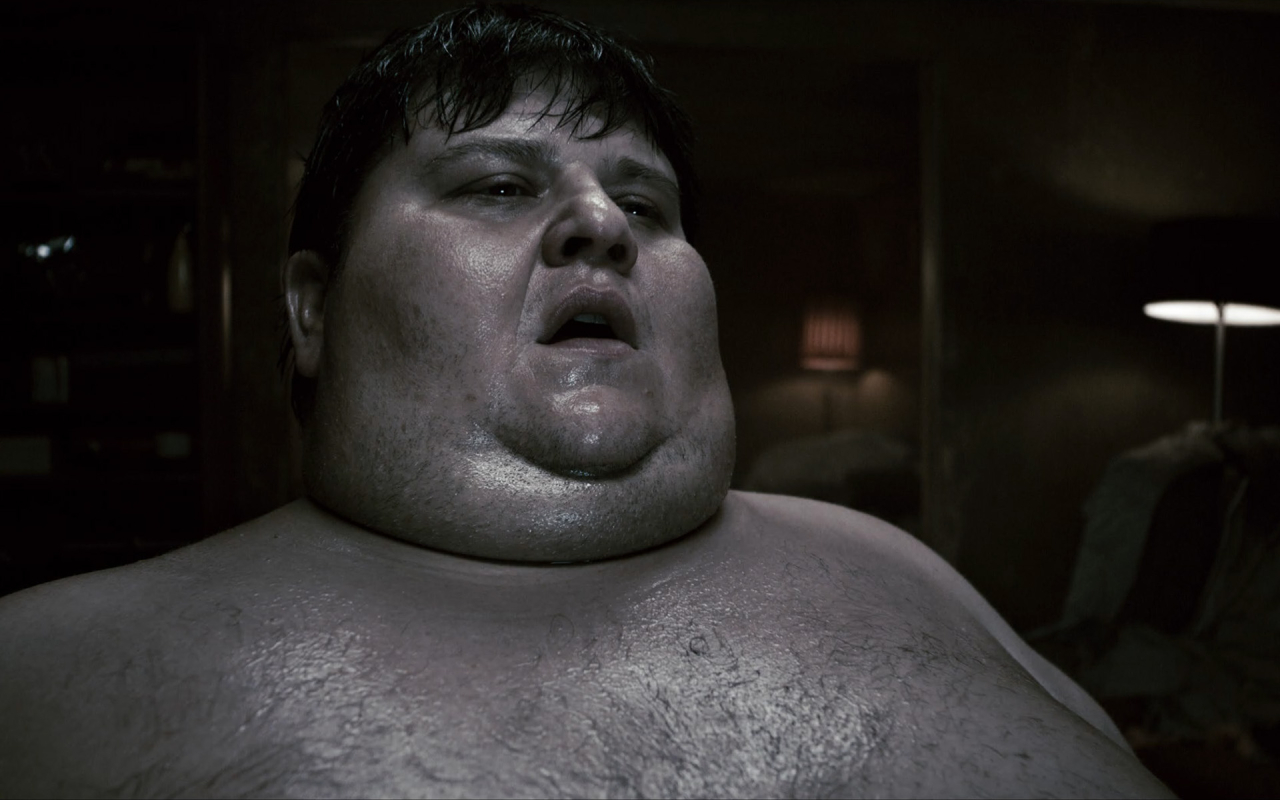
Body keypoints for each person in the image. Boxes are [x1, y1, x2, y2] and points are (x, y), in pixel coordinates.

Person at [0, 5, 1171, 797]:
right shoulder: (38, 675)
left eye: (646, 206)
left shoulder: (919, 576)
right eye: (496, 185)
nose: (602, 223)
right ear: (311, 309)